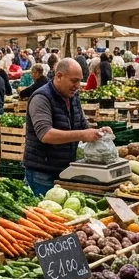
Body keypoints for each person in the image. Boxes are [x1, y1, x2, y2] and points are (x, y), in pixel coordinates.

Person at [23, 59, 102, 196]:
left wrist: (99, 132)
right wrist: (83, 134)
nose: (77, 86)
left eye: (79, 81)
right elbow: (46, 135)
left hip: (66, 171)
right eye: (74, 81)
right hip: (42, 173)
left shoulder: (73, 96)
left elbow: (82, 124)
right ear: (59, 76)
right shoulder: (41, 98)